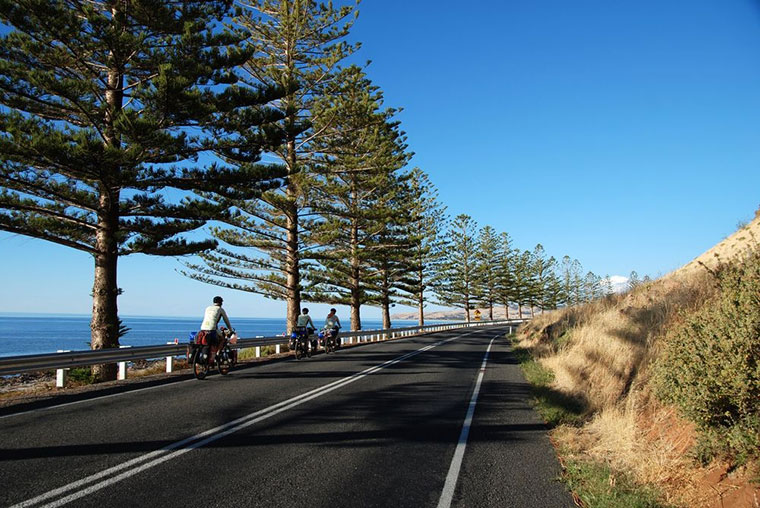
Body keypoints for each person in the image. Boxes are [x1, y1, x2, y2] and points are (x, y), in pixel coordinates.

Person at [199, 296, 233, 364]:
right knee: (222, 339)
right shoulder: (220, 309)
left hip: (203, 328)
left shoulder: (207, 308)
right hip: (212, 329)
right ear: (220, 302)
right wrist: (230, 329)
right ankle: (217, 354)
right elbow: (226, 320)